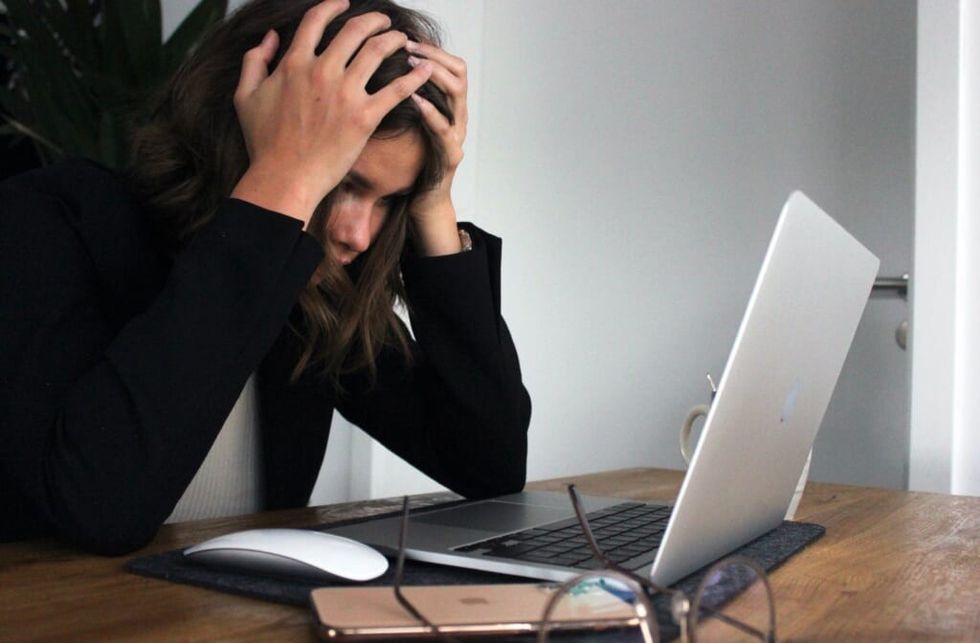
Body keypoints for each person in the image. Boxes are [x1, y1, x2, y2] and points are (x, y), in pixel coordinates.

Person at [0, 0, 530, 555]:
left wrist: (433, 204)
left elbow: (488, 465)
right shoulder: (45, 222)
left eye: (390, 200)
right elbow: (100, 509)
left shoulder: (307, 291)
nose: (358, 236)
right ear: (244, 128)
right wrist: (283, 181)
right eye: (343, 182)